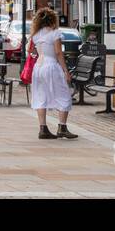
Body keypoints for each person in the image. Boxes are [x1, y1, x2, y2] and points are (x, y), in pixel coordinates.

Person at [28, 7, 76, 139]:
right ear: (52, 20)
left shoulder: (36, 34)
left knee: (41, 96)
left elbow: (30, 50)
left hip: (38, 66)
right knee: (64, 95)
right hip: (51, 66)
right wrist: (66, 70)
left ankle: (43, 129)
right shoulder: (55, 33)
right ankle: (62, 127)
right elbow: (58, 52)